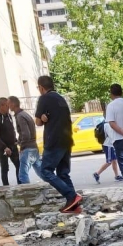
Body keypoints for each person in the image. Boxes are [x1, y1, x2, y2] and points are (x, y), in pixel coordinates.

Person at [33, 75, 82, 213]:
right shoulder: (61, 99)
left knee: (45, 171)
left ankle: (71, 196)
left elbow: (37, 122)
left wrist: (43, 119)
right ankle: (74, 204)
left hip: (53, 141)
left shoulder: (44, 98)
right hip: (67, 140)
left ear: (41, 87)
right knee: (63, 173)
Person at [0, 97, 20, 186]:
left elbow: (11, 130)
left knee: (18, 165)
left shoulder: (8, 115)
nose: (9, 107)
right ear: (1, 105)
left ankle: (21, 184)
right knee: (5, 168)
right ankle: (6, 187)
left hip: (13, 145)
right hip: (3, 148)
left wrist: (16, 141)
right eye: (7, 106)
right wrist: (4, 147)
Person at [9, 96, 38, 184]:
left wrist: (21, 146)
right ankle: (56, 186)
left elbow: (26, 134)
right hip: (33, 147)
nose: (8, 106)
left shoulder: (20, 116)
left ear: (13, 104)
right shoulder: (25, 114)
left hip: (28, 148)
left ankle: (28, 194)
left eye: (8, 103)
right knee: (42, 172)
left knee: (22, 175)